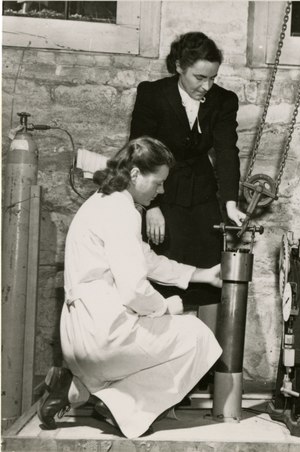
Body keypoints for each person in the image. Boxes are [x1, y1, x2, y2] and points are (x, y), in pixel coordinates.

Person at [37, 136, 224, 438]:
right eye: (158, 182)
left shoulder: (101, 202)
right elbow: (135, 289)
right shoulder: (122, 212)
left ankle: (76, 387)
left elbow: (145, 260)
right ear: (135, 175)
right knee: (199, 337)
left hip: (75, 339)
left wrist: (202, 274)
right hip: (102, 336)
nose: (161, 190)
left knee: (155, 336)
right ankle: (118, 408)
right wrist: (166, 308)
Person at [129, 31, 245, 309]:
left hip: (203, 195)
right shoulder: (153, 94)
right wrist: (152, 207)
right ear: (179, 67)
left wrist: (230, 203)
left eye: (213, 78)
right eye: (199, 77)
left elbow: (227, 152)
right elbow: (140, 151)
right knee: (165, 279)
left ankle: (202, 345)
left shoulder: (224, 100)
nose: (207, 86)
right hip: (164, 193)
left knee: (208, 279)